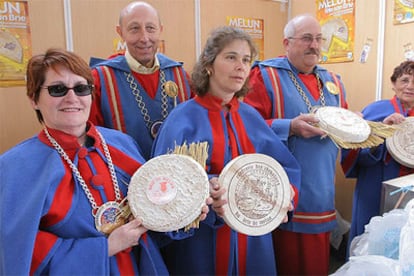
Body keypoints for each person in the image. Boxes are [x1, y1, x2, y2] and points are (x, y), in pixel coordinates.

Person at [0, 48, 169, 275]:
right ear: (34, 99)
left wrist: (186, 210)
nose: (72, 98)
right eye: (57, 89)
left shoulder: (123, 144)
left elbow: (156, 210)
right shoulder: (15, 166)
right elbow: (17, 251)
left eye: (81, 88)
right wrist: (105, 248)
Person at [152, 26, 301, 275]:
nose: (241, 66)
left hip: (252, 239)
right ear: (209, 64)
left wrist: (283, 198)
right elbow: (161, 184)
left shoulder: (251, 117)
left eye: (246, 60)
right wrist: (205, 186)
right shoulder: (181, 120)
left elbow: (286, 168)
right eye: (231, 57)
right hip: (200, 241)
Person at [244, 14, 348, 275]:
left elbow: (344, 123)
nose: (314, 45)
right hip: (282, 193)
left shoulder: (333, 81)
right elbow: (244, 127)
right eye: (306, 39)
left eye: (318, 39)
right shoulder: (264, 76)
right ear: (286, 43)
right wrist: (288, 127)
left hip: (322, 190)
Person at [89, 1, 192, 160]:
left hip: (175, 177)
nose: (144, 38)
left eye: (150, 28)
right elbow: (89, 140)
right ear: (120, 32)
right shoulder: (101, 79)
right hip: (122, 177)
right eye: (134, 29)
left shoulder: (179, 75)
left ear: (161, 30)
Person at [341, 60, 414, 253]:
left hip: (411, 189)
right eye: (404, 80)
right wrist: (382, 132)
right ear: (393, 84)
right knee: (369, 241)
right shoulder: (375, 111)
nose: (410, 86)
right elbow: (354, 152)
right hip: (374, 186)